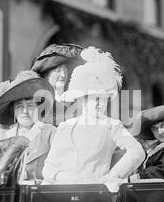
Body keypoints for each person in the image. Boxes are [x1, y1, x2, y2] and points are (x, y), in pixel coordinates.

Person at [42, 46, 145, 191]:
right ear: (83, 99)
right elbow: (48, 168)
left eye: (104, 99)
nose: (100, 104)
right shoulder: (66, 126)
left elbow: (137, 152)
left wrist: (113, 175)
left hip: (93, 195)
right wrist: (65, 178)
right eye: (95, 98)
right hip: (61, 193)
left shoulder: (113, 125)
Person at [0, 70, 56, 181]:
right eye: (19, 106)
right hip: (5, 192)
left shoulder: (50, 133)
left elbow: (57, 166)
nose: (25, 111)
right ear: (13, 111)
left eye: (30, 106)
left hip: (36, 193)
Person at [31, 43, 85, 125]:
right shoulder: (38, 102)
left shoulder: (75, 100)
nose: (63, 75)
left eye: (65, 71)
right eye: (58, 71)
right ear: (46, 75)